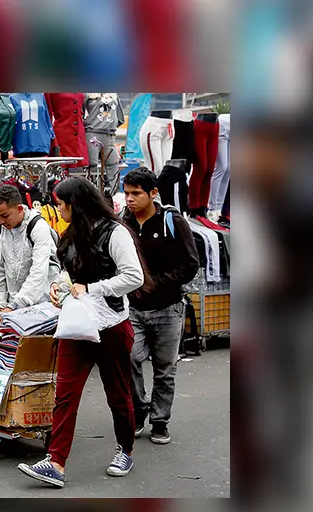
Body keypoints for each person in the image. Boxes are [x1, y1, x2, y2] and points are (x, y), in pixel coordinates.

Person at [17, 176, 148, 488]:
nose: (58, 209)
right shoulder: (70, 234)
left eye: (61, 204)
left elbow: (134, 277)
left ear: (75, 204)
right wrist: (58, 287)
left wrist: (91, 288)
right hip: (75, 325)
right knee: (65, 394)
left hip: (111, 325)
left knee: (118, 393)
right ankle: (56, 462)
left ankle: (125, 450)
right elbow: (67, 273)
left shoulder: (115, 232)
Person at [120, 167, 200, 445]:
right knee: (129, 359)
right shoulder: (123, 224)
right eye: (126, 193)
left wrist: (157, 283)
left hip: (168, 307)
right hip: (133, 308)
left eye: (136, 193)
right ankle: (139, 409)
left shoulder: (172, 221)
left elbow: (191, 264)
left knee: (165, 369)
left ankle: (160, 421)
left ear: (153, 193)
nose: (130, 199)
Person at [0, 183, 60, 315]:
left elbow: (39, 271)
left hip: (43, 304)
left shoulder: (38, 227)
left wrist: (17, 304)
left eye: (5, 215)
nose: (1, 221)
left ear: (20, 209)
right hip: (12, 305)